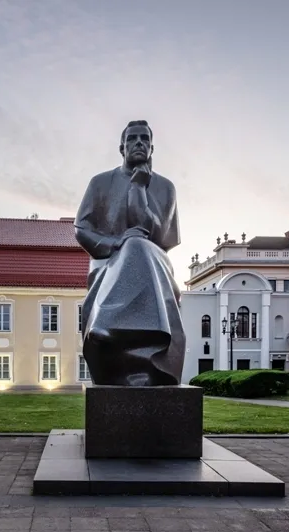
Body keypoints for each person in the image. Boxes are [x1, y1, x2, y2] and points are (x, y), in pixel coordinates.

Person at [74, 120, 186, 386]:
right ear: (121, 148)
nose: (139, 143)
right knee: (132, 243)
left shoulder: (164, 187)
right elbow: (81, 228)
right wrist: (114, 243)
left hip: (154, 261)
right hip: (108, 262)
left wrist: (138, 188)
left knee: (137, 244)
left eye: (144, 139)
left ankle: (107, 322)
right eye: (133, 139)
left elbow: (156, 235)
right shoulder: (100, 183)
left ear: (152, 148)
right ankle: (136, 335)